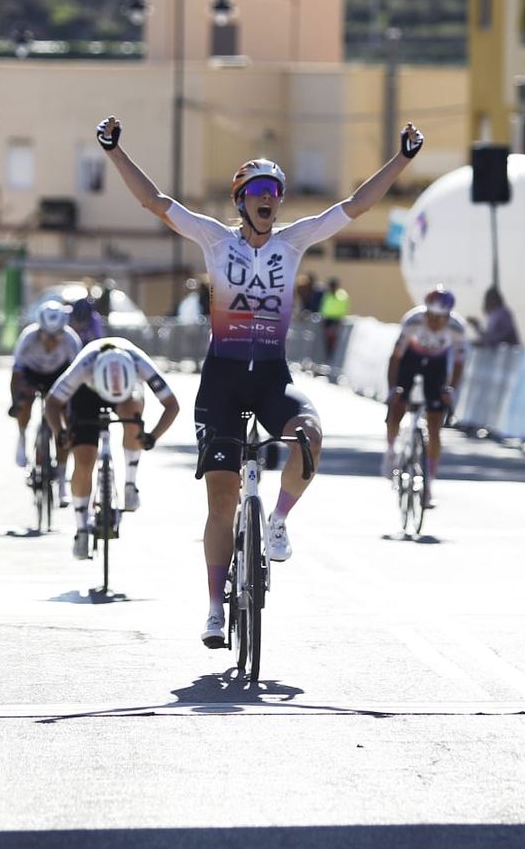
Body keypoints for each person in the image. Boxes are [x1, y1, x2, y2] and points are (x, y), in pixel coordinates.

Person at [96, 113, 422, 647]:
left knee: (311, 436)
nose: (270, 198)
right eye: (259, 190)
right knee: (221, 501)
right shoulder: (213, 239)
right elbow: (154, 202)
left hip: (272, 376)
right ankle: (213, 609)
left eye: (276, 190)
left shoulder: (293, 242)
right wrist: (113, 149)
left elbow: (357, 205)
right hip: (222, 379)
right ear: (241, 200)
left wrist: (404, 157)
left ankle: (277, 519)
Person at [44, 337, 179, 559]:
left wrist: (152, 436)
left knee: (133, 414)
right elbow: (52, 403)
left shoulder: (139, 362)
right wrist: (60, 432)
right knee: (84, 458)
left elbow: (172, 405)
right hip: (86, 395)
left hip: (127, 394)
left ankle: (130, 484)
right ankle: (81, 528)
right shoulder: (83, 366)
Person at [384, 287, 466, 507]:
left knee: (435, 424)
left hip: (436, 366)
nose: (434, 322)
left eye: (440, 318)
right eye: (430, 316)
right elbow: (395, 357)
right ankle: (391, 450)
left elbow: (458, 363)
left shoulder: (457, 328)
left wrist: (451, 389)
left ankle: (429, 484)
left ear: (448, 316)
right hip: (410, 360)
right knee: (398, 404)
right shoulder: (412, 321)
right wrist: (393, 389)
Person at [9, 301, 84, 507]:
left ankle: (61, 479)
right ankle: (23, 437)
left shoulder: (71, 340)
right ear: (39, 329)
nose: (51, 341)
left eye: (56, 335)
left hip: (59, 375)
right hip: (31, 373)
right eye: (46, 335)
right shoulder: (28, 338)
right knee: (23, 402)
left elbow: (77, 377)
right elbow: (16, 374)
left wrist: (72, 408)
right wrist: (16, 401)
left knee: (64, 425)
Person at [319, 277, 351, 359]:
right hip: (327, 320)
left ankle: (331, 356)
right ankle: (326, 357)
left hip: (336, 320)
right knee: (326, 340)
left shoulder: (341, 295)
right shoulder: (327, 295)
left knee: (333, 339)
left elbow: (343, 307)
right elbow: (323, 307)